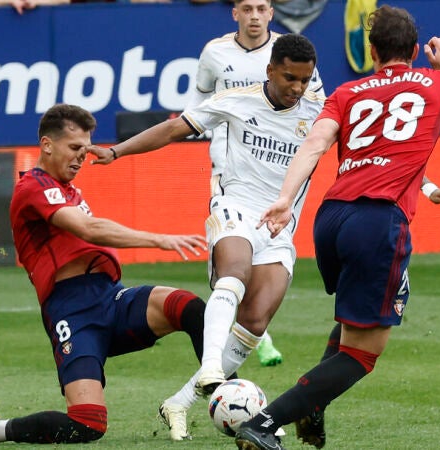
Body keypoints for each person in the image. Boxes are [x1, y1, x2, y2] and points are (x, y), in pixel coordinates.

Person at [239, 6, 440, 449]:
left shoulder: (347, 91)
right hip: (378, 221)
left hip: (331, 218)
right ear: (415, 51)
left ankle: (313, 407)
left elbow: (315, 144)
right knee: (362, 353)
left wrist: (285, 199)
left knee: (355, 316)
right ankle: (264, 422)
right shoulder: (436, 82)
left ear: (372, 52)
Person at [88, 33, 324, 442]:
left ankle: (178, 402)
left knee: (255, 321)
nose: (297, 88)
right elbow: (173, 129)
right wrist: (117, 151)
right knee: (235, 273)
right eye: (290, 78)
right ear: (270, 70)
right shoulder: (237, 99)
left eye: (305, 80)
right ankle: (212, 366)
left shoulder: (320, 112)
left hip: (279, 227)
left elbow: (375, 147)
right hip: (235, 208)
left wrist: (424, 187)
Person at [0, 103, 209, 446]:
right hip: (72, 311)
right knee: (87, 425)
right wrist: (159, 240)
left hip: (110, 297)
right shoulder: (33, 187)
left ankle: (231, 399)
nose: (80, 157)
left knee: (191, 309)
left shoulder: (69, 191)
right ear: (46, 145)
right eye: (74, 148)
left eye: (84, 150)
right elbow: (88, 228)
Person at [188, 0, 325, 369]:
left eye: (261, 8)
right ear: (235, 12)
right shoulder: (215, 53)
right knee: (234, 264)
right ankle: (234, 351)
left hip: (278, 177)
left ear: (271, 13)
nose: (254, 15)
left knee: (253, 273)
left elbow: (318, 109)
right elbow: (199, 99)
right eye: (247, 8)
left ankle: (252, 334)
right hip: (229, 166)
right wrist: (200, 126)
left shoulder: (291, 54)